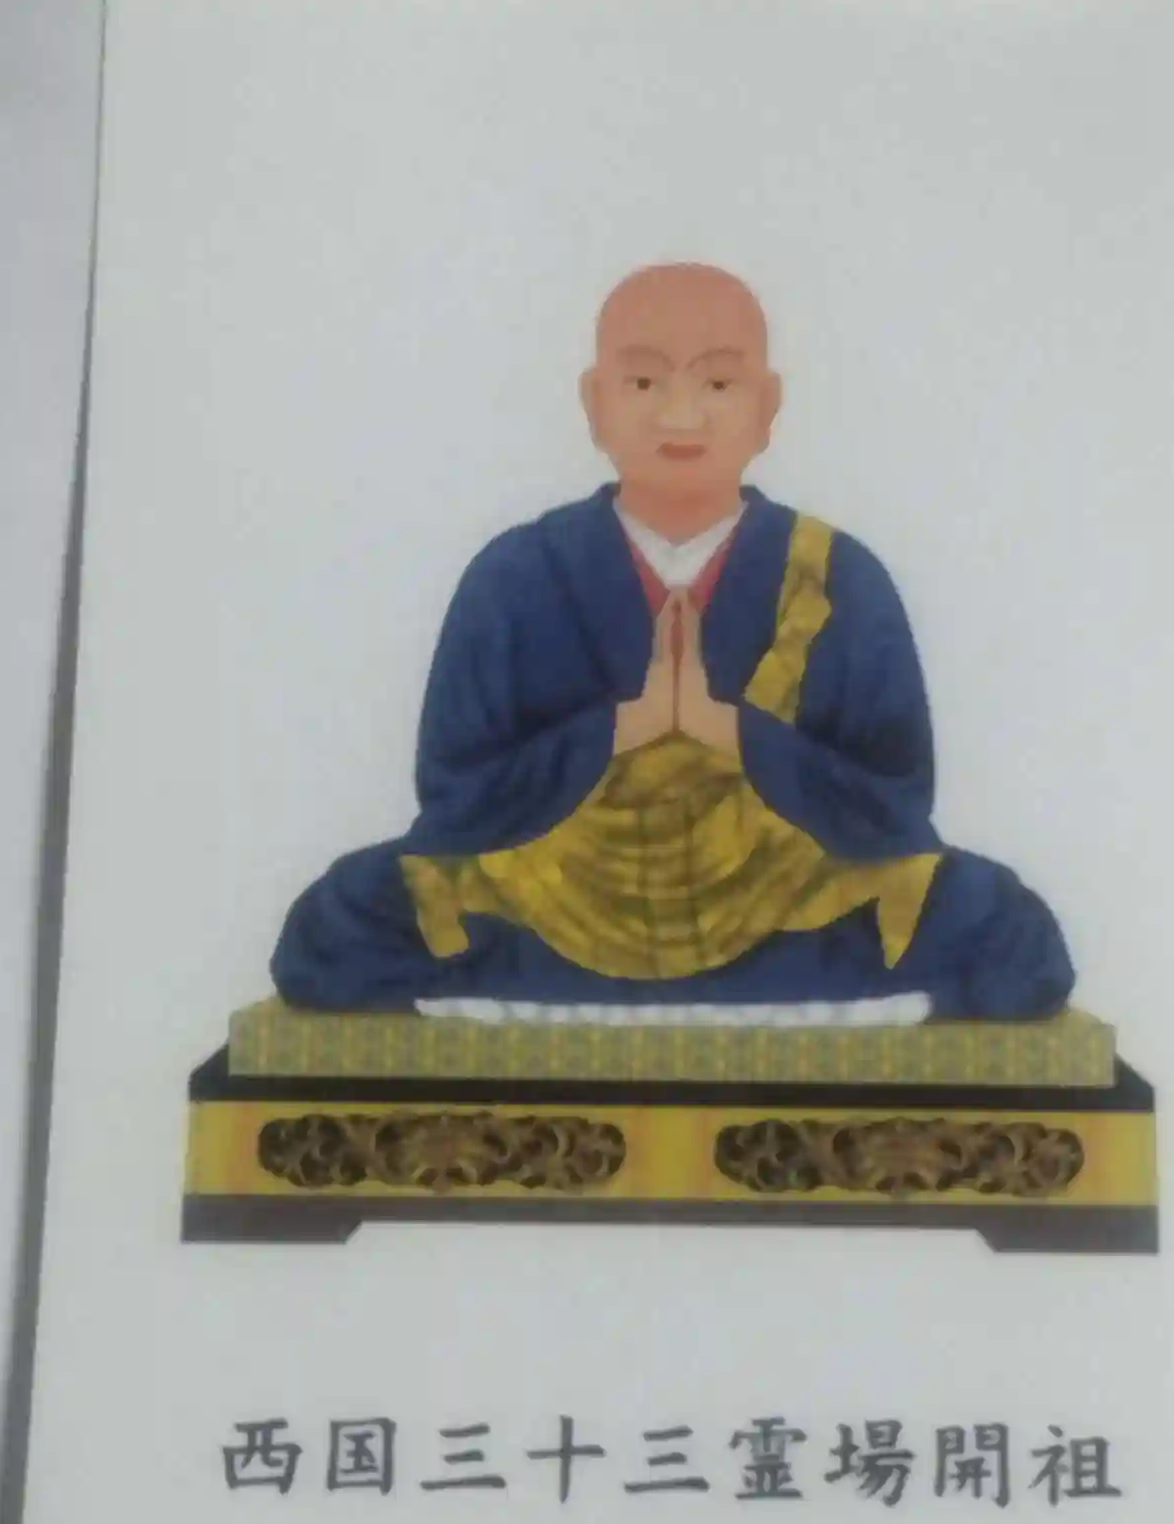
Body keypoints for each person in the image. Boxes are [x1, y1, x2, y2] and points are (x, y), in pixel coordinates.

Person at [271, 263, 1073, 1022]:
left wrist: (729, 733)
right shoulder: (515, 573)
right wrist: (629, 728)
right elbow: (454, 803)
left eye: (718, 383)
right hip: (550, 907)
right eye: (644, 383)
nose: (681, 416)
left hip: (788, 907)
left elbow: (896, 809)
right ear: (594, 404)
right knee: (344, 918)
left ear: (768, 408)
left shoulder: (836, 575)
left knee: (998, 925)